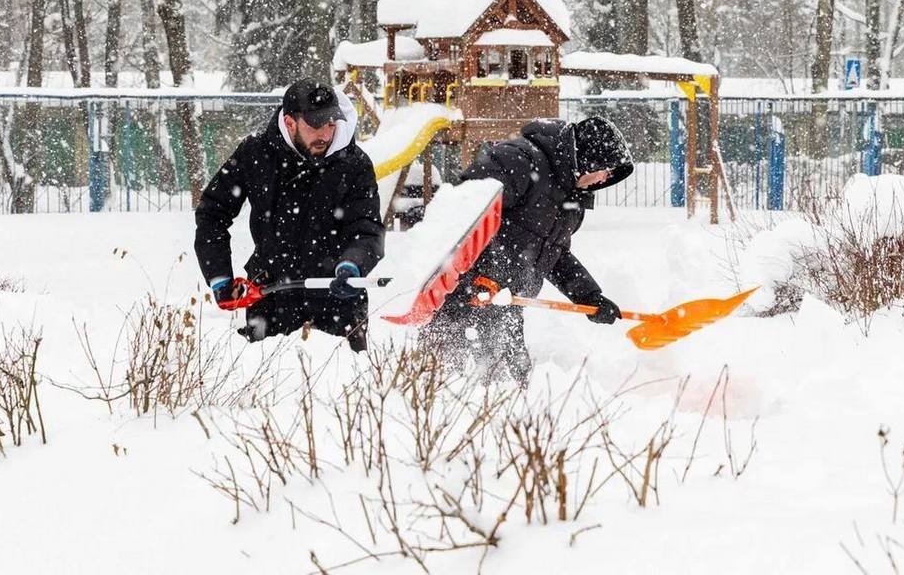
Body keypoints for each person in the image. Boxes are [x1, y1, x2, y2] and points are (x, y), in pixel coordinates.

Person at [420, 116, 634, 384]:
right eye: (605, 170)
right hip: (460, 299)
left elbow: (555, 254)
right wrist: (478, 277)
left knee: (513, 387)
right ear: (588, 159)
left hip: (506, 305)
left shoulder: (571, 198)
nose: (604, 178)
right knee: (444, 385)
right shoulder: (519, 160)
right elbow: (463, 211)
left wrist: (589, 296)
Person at [194, 78, 384, 351]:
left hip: (338, 299)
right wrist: (219, 276)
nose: (325, 133)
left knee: (346, 375)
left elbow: (367, 229)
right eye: (315, 125)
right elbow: (212, 214)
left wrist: (353, 264)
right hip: (271, 298)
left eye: (331, 124)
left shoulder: (354, 164)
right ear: (290, 122)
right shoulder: (255, 154)